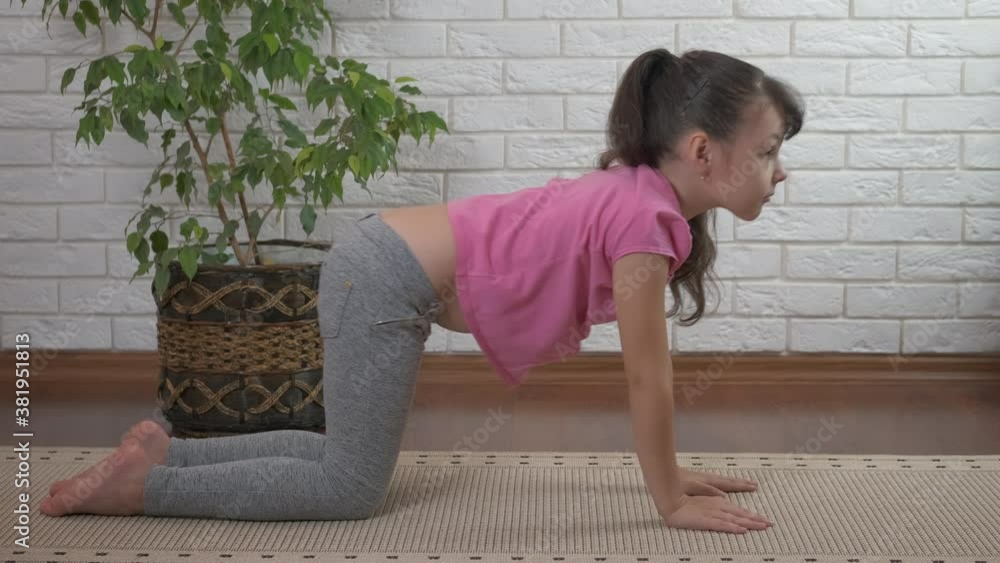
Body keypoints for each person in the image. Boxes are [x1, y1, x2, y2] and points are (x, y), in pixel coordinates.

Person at [41, 47, 803, 535]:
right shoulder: (643, 218)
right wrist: (669, 497)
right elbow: (647, 377)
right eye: (769, 151)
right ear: (704, 152)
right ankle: (153, 489)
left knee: (342, 454)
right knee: (351, 488)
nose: (780, 170)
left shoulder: (640, 197)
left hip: (378, 266)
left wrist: (671, 472)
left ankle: (169, 453)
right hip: (381, 275)